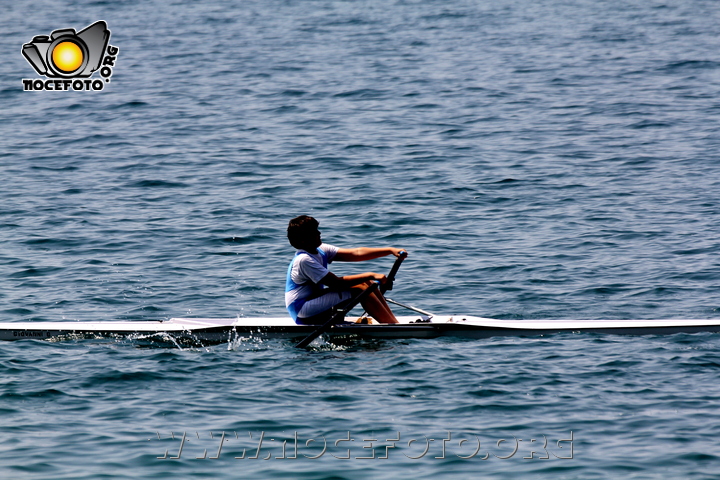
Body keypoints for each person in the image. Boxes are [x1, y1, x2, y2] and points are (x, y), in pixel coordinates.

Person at [285, 215, 407, 325]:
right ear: (303, 240)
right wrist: (371, 275)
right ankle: (391, 326)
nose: (319, 233)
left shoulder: (321, 250)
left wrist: (390, 250)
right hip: (301, 309)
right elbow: (337, 283)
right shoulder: (304, 260)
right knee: (360, 289)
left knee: (367, 284)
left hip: (313, 300)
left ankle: (392, 322)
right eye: (314, 232)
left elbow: (356, 253)